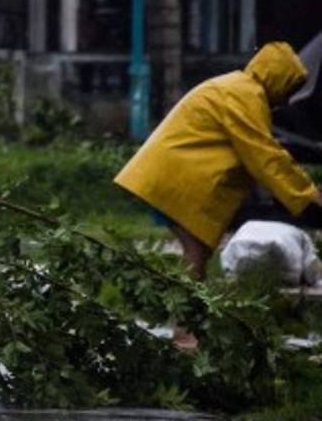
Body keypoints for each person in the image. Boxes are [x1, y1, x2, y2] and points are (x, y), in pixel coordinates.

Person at [115, 41, 322, 287]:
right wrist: (309, 199)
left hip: (170, 180)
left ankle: (189, 321)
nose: (286, 101)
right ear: (277, 79)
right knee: (195, 261)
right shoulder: (245, 95)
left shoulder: (236, 88)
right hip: (175, 183)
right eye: (288, 90)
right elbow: (266, 157)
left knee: (196, 261)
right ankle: (188, 320)